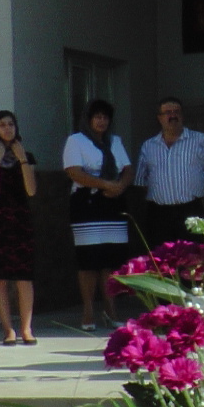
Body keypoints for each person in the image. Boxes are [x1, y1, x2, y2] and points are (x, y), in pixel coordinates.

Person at [62, 99, 134, 332]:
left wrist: (119, 187)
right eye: (97, 117)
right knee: (89, 261)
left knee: (111, 261)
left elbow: (127, 169)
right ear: (88, 119)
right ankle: (88, 311)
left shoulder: (115, 141)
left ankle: (111, 310)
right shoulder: (76, 141)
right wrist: (104, 184)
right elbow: (74, 172)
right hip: (87, 204)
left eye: (105, 117)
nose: (101, 121)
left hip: (113, 204)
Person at [0, 110, 39, 347]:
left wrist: (22, 159)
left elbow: (31, 190)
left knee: (24, 276)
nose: (7, 129)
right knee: (0, 278)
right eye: (2, 125)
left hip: (21, 219)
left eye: (11, 124)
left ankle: (26, 328)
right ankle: (8, 329)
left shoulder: (26, 154)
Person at [134, 97, 204, 246]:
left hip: (191, 210)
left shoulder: (200, 140)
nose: (173, 116)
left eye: (176, 112)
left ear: (182, 115)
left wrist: (195, 192)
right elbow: (141, 182)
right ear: (159, 118)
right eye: (167, 112)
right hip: (159, 214)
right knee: (161, 260)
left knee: (193, 258)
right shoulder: (149, 146)